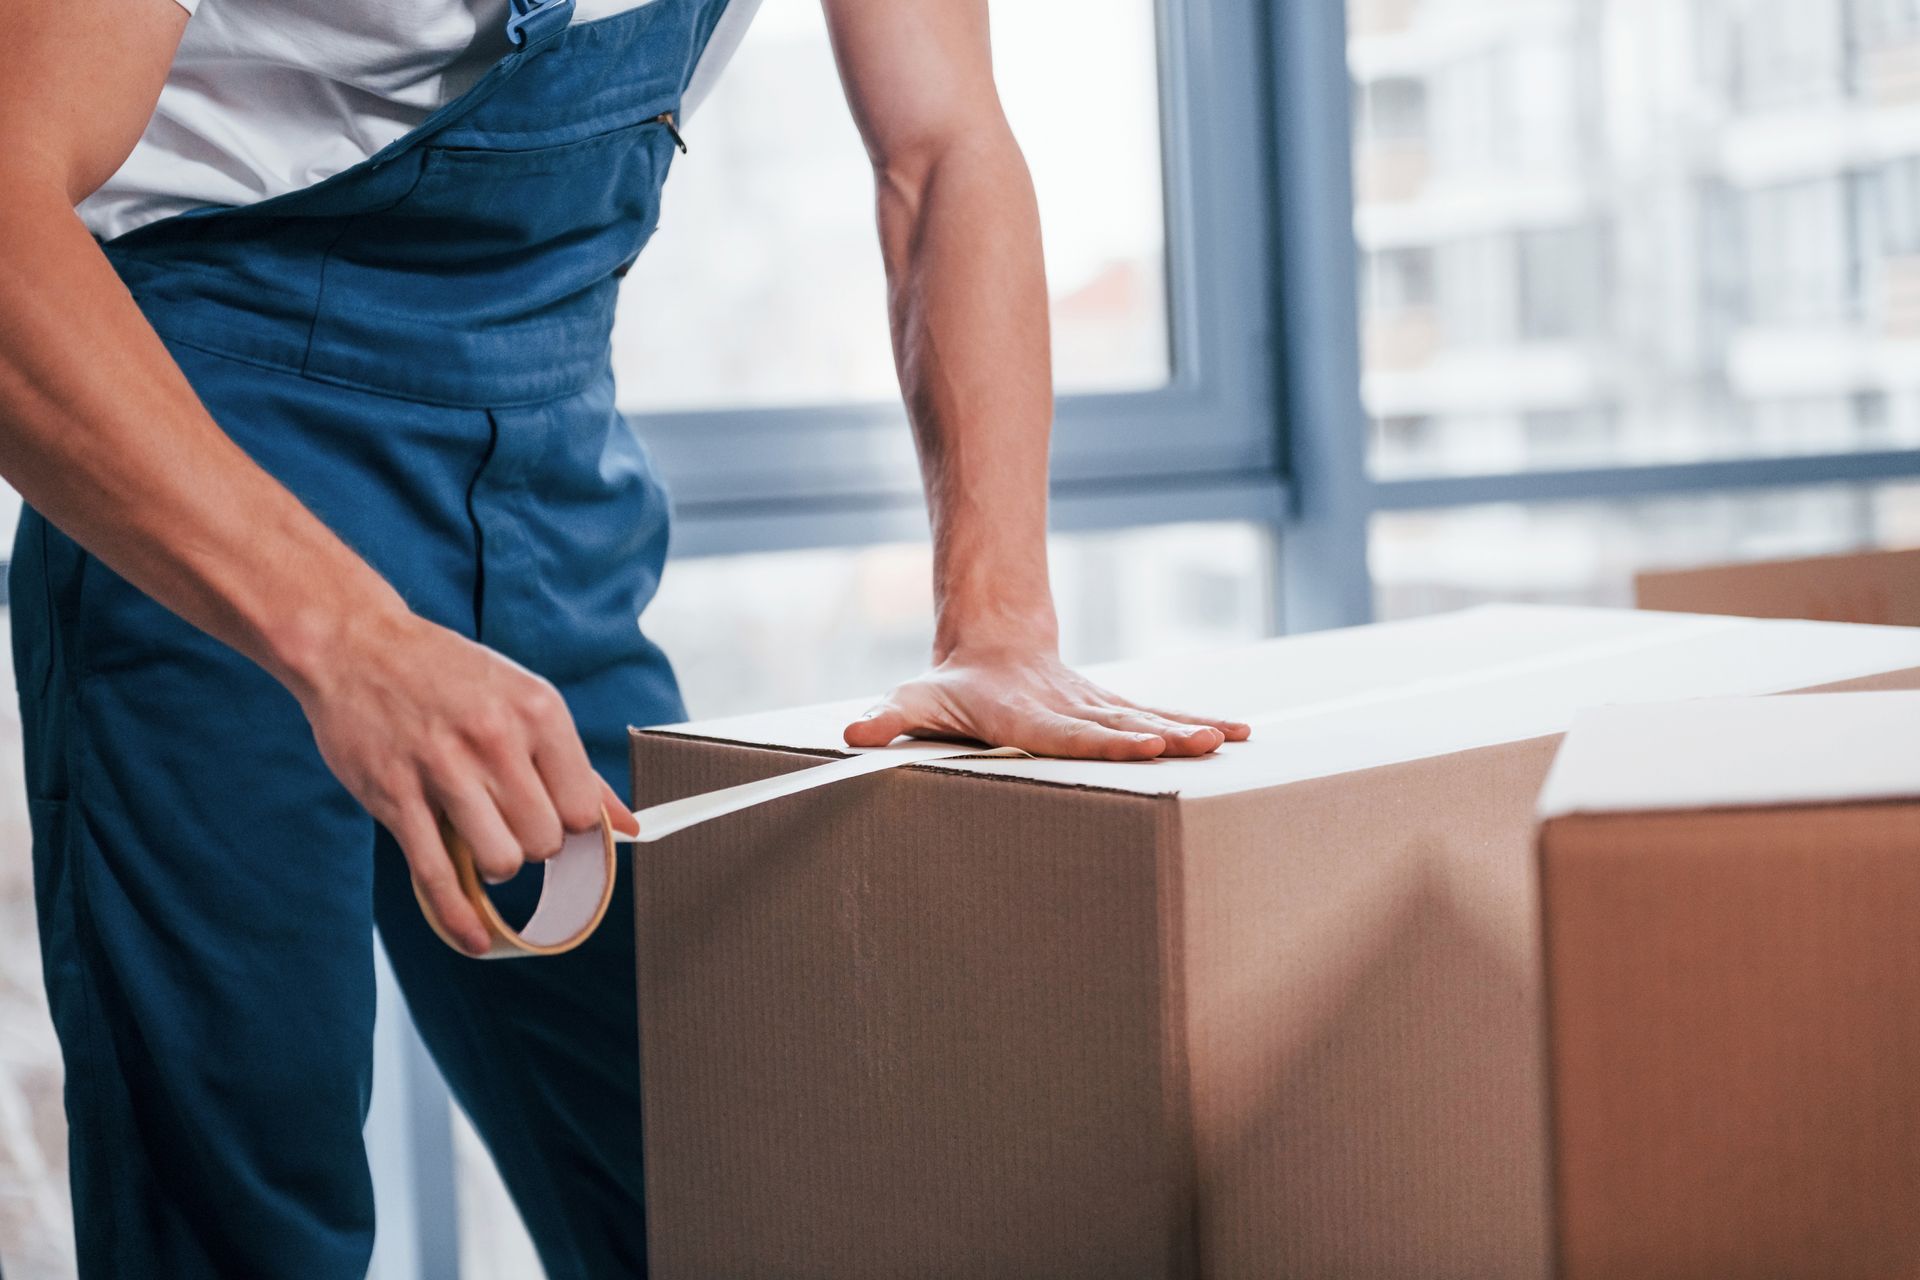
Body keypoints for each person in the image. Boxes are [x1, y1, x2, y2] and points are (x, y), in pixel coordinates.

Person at [0, 0, 1250, 1275]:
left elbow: (943, 145)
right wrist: (348, 638)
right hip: (205, 443)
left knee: (701, 1172)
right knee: (241, 1207)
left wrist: (997, 622)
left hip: (546, 462)